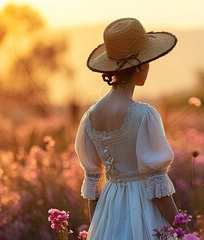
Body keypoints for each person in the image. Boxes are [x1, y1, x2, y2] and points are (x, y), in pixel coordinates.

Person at [74, 18, 179, 239]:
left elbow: (93, 186)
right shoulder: (143, 115)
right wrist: (183, 230)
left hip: (109, 208)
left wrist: (98, 229)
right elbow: (156, 187)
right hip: (143, 209)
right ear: (141, 66)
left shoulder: (90, 116)